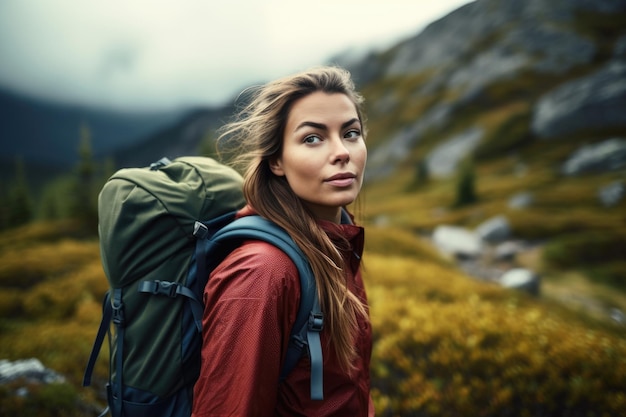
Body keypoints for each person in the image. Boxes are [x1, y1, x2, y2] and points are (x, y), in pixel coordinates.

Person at [192, 66, 374, 416]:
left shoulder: (338, 242)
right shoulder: (263, 273)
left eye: (351, 133)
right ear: (276, 160)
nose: (342, 152)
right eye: (313, 138)